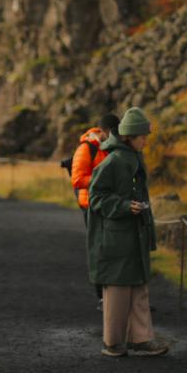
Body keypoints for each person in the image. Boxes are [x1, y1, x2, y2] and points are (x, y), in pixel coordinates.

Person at [87, 107, 169, 358]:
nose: (145, 140)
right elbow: (96, 198)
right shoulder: (112, 161)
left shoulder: (133, 157)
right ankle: (113, 343)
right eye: (142, 136)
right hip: (116, 237)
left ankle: (141, 340)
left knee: (139, 287)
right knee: (118, 290)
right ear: (129, 136)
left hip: (134, 233)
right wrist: (123, 206)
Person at [72, 113, 121, 306]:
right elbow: (77, 179)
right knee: (98, 249)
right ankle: (101, 295)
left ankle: (112, 292)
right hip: (91, 206)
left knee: (110, 247)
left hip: (109, 205)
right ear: (102, 131)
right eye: (110, 132)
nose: (112, 136)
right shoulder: (86, 148)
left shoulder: (112, 147)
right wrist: (103, 182)